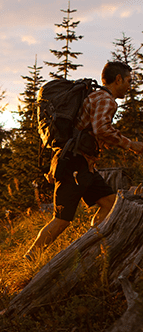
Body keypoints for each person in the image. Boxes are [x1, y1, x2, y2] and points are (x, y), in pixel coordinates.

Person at [25, 61, 143, 261]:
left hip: (83, 165)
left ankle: (92, 248)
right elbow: (102, 129)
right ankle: (30, 258)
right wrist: (131, 144)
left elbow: (91, 129)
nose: (130, 86)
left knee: (110, 204)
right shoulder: (107, 100)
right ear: (118, 79)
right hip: (75, 164)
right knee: (62, 220)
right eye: (129, 81)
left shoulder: (96, 96)